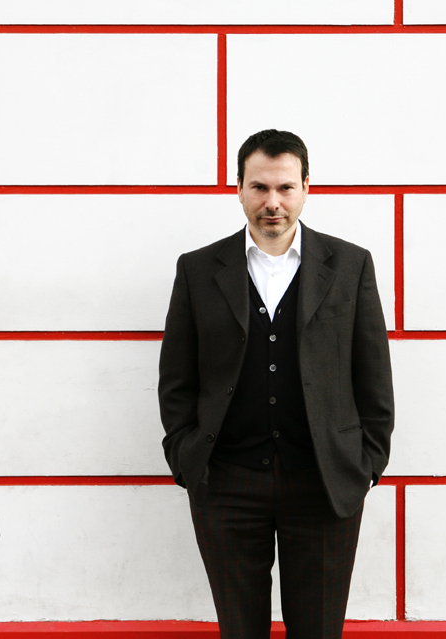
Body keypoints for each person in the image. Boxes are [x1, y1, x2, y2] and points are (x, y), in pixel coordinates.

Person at [158, 129, 394, 639]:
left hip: (324, 482)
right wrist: (185, 456)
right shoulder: (197, 269)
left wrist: (367, 465)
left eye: (285, 187)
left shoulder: (350, 265)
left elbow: (373, 375)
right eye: (259, 187)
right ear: (238, 188)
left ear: (306, 187)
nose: (272, 202)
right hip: (227, 483)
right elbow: (177, 379)